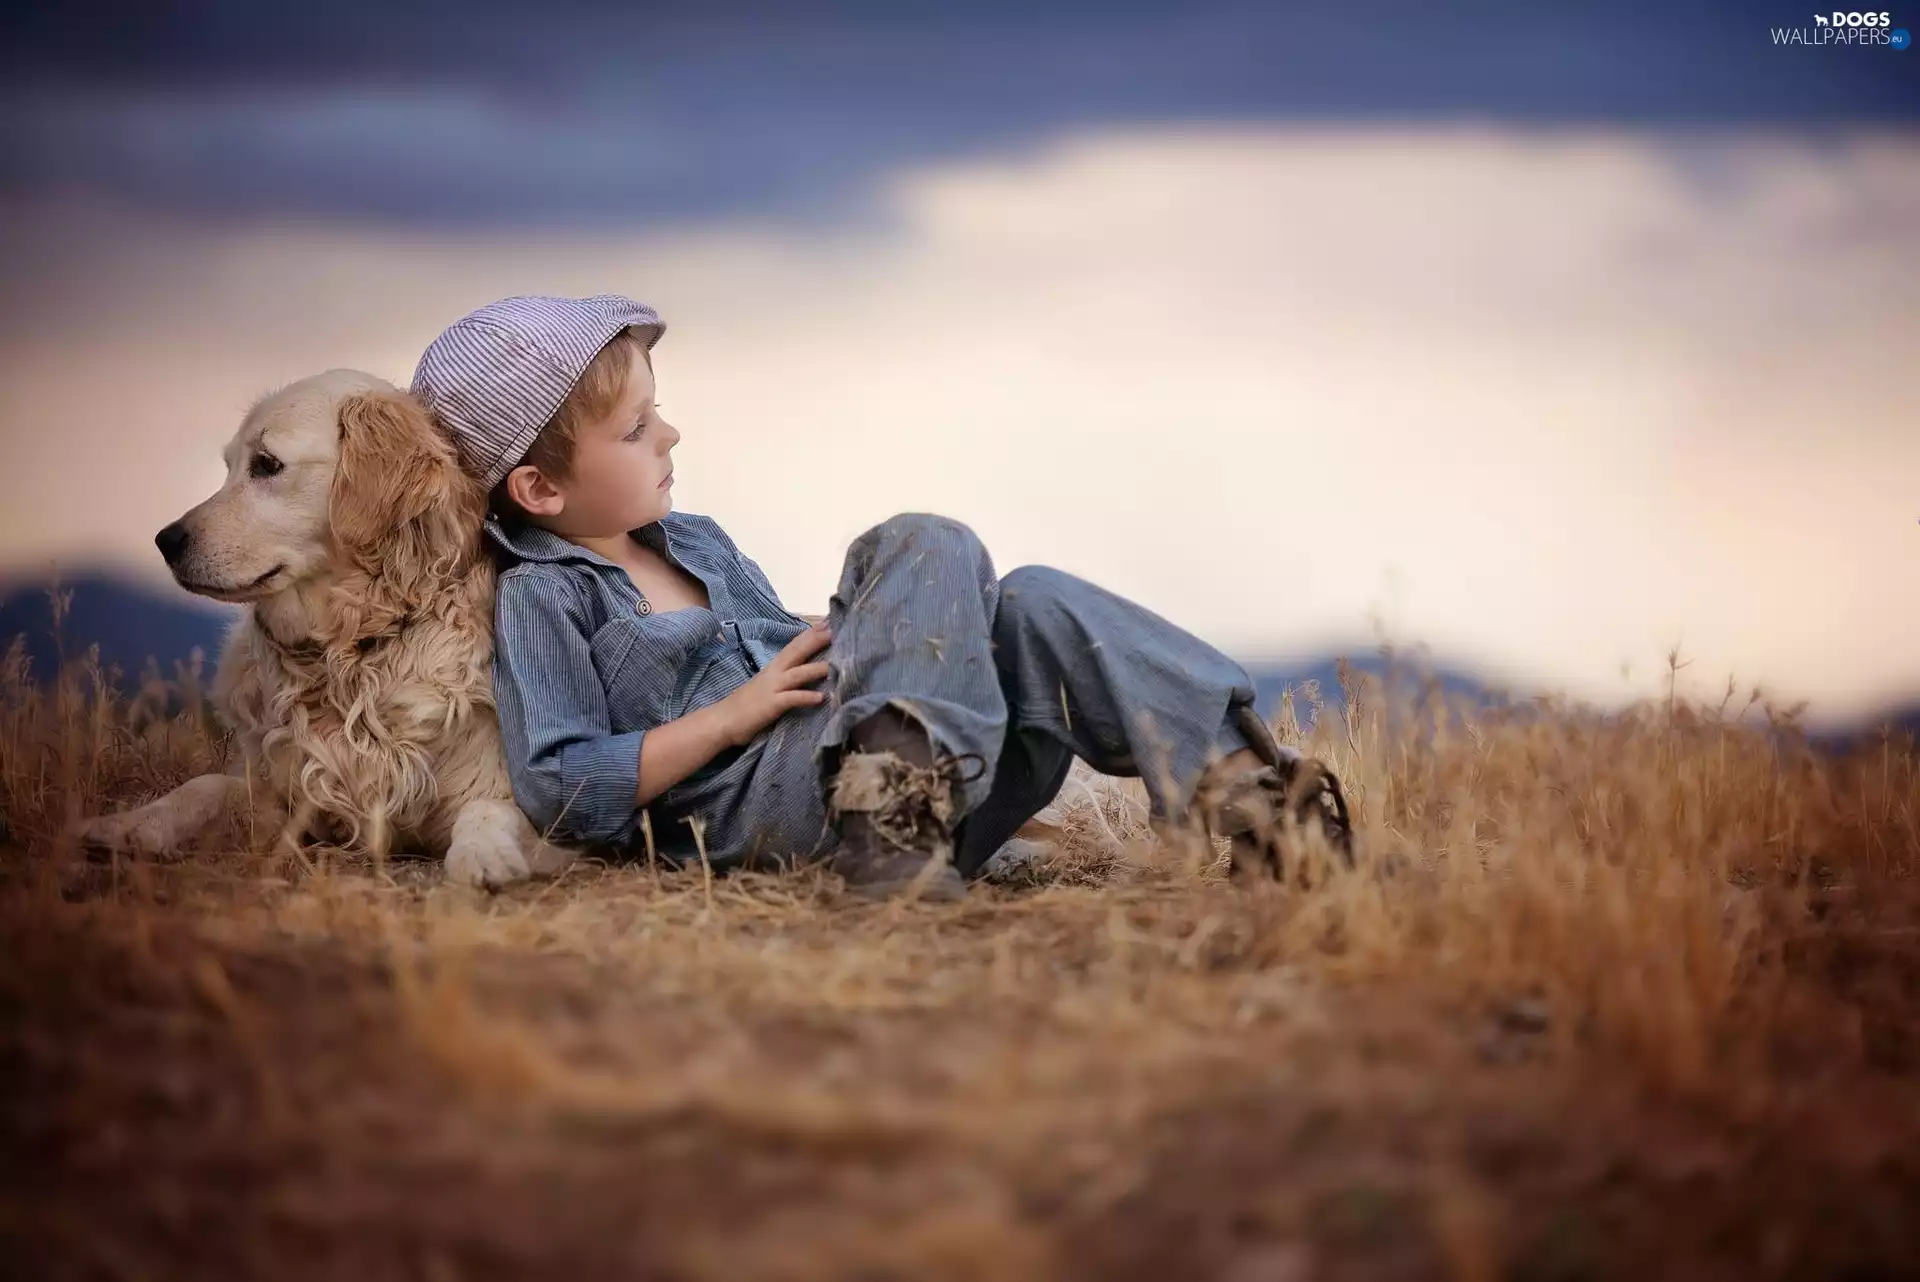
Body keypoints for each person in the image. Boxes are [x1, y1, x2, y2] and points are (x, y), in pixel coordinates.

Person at [411, 294, 1350, 900]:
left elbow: (804, 654)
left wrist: (890, 630)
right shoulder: (543, 596)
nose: (671, 434)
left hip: (891, 787)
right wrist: (729, 717)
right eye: (636, 428)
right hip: (768, 805)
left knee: (1027, 597)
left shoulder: (698, 543)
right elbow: (564, 787)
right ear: (539, 490)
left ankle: (1261, 802)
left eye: (659, 412)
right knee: (920, 538)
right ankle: (888, 820)